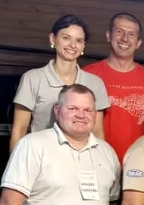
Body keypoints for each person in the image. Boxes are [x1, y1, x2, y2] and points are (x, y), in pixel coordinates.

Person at [11, 15, 109, 150]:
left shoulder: (95, 83)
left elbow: (97, 132)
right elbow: (19, 130)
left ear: (83, 46)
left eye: (79, 41)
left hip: (81, 159)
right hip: (42, 158)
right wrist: (17, 167)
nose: (73, 45)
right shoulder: (32, 79)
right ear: (53, 39)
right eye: (66, 38)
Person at [83, 13, 144, 162]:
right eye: (119, 32)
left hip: (143, 164)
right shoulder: (88, 75)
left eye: (131, 34)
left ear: (138, 42)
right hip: (97, 162)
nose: (125, 38)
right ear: (108, 36)